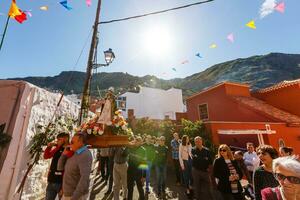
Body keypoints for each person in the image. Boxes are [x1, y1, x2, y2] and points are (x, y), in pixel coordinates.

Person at [57, 132, 92, 200]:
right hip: (67, 194)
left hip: (75, 196)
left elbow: (84, 178)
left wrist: (75, 197)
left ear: (80, 142)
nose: (70, 144)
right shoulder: (74, 152)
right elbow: (59, 167)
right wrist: (64, 154)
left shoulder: (85, 155)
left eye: (72, 142)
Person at [44, 132, 69, 200]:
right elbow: (46, 156)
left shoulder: (70, 150)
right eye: (57, 140)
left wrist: (64, 187)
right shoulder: (57, 148)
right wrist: (49, 147)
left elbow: (69, 169)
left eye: (59, 139)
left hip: (60, 183)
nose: (57, 141)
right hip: (51, 180)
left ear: (66, 139)